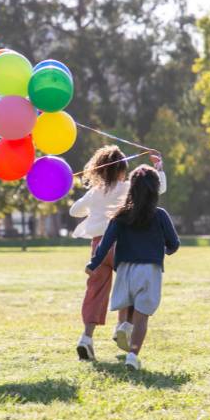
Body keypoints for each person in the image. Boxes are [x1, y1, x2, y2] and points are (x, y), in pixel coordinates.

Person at [70, 145, 166, 361]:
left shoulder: (94, 192)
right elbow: (158, 189)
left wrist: (93, 205)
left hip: (98, 247)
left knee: (95, 292)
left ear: (100, 170)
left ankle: (86, 337)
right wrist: (159, 167)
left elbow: (74, 211)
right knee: (130, 287)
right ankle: (123, 326)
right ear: (123, 170)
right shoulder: (127, 189)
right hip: (123, 245)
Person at [86, 165, 179, 371]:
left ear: (131, 188)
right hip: (149, 270)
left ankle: (124, 326)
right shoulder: (160, 215)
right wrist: (165, 250)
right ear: (155, 190)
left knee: (129, 306)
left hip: (125, 270)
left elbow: (105, 243)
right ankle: (132, 355)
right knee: (142, 316)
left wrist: (93, 263)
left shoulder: (120, 216)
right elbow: (174, 243)